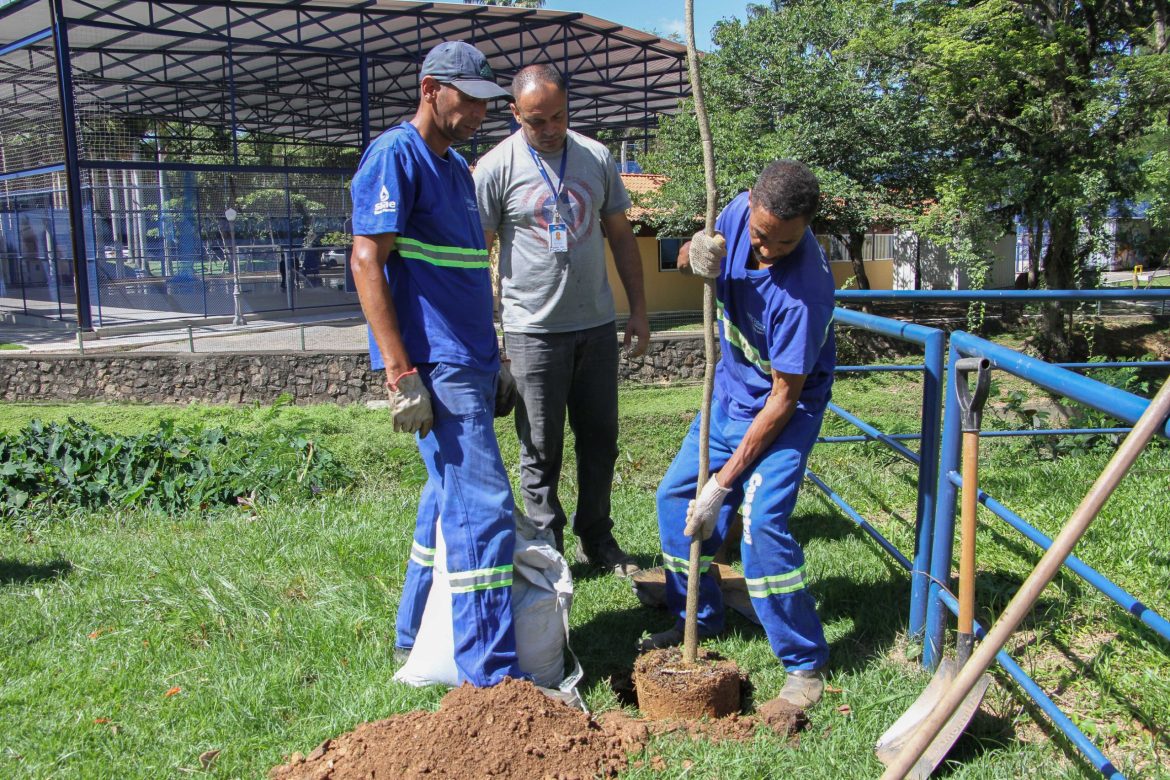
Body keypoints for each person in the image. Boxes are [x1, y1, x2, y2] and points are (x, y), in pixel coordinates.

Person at [348, 40, 523, 687]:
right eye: (469, 100)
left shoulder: (455, 170)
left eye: (486, 103)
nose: (480, 113)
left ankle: (411, 634)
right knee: (483, 507)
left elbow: (471, 273)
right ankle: (492, 678)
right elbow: (367, 260)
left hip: (471, 361)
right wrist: (400, 374)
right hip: (436, 367)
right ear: (430, 90)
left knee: (442, 500)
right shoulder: (397, 155)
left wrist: (496, 355)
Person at [644, 160, 836, 711]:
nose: (768, 249)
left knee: (760, 525)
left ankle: (803, 662)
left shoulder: (804, 295)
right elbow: (687, 257)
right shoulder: (734, 211)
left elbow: (783, 397)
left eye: (784, 241)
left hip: (783, 413)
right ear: (750, 204)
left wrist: (724, 485)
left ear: (806, 227)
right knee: (674, 499)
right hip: (727, 396)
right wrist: (691, 255)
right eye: (759, 235)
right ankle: (698, 622)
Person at [473, 63, 650, 576]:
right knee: (540, 447)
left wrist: (637, 311)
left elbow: (620, 236)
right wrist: (489, 335)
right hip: (531, 332)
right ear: (514, 114)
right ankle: (547, 547)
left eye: (558, 117)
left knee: (601, 440)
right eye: (536, 121)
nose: (549, 129)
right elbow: (476, 254)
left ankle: (597, 538)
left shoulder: (595, 157)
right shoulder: (494, 169)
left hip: (595, 326)